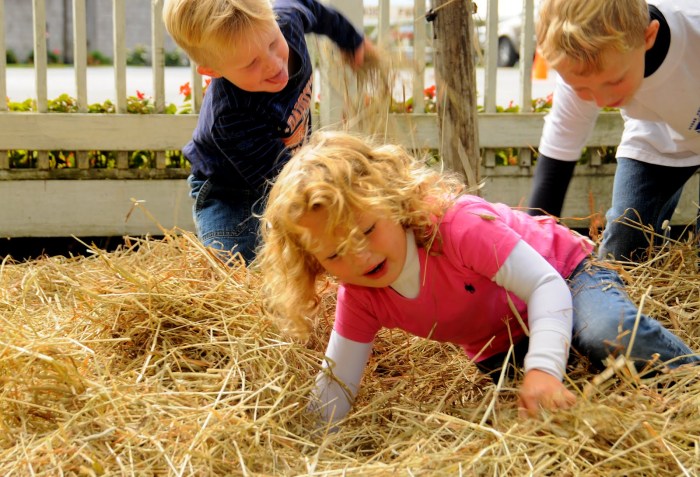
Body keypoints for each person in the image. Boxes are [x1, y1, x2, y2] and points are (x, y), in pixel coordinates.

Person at [256, 130, 698, 425]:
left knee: (606, 334)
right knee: (525, 414)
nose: (361, 256)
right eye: (335, 254)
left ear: (391, 200)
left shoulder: (455, 227)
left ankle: (691, 386)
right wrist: (308, 447)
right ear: (314, 264)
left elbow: (546, 287)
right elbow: (335, 389)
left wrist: (544, 369)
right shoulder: (360, 295)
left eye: (367, 230)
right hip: (500, 341)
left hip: (565, 276)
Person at [163, 0, 374, 263]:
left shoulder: (287, 21)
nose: (274, 64)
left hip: (287, 166)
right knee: (239, 266)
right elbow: (282, 178)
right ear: (213, 71)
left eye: (274, 43)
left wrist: (352, 41)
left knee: (321, 246)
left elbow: (313, 9)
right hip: (230, 192)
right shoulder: (231, 116)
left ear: (274, 20)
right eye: (251, 63)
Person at [527, 0, 700, 261]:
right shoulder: (582, 63)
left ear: (648, 37)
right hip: (655, 132)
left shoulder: (693, 28)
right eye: (582, 90)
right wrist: (531, 261)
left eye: (615, 81)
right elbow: (553, 173)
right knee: (624, 242)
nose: (599, 100)